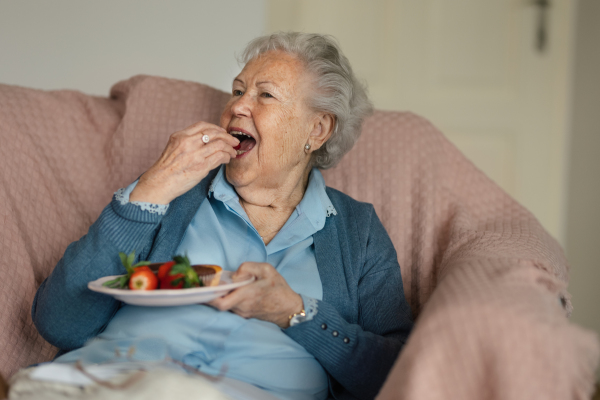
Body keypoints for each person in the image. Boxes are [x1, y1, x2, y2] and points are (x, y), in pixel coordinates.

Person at [31, 32, 413, 400]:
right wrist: (150, 189)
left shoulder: (357, 230)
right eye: (237, 91)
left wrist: (297, 313)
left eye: (265, 94)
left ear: (317, 128)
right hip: (114, 383)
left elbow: (398, 372)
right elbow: (61, 322)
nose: (237, 107)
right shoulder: (172, 191)